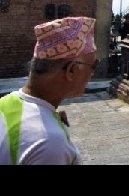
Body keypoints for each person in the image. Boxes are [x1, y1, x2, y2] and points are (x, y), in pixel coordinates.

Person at [0, 16, 97, 165]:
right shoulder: (50, 143)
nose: (92, 74)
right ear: (71, 70)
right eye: (93, 66)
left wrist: (50, 117)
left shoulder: (6, 103)